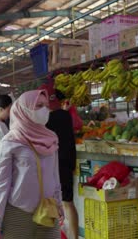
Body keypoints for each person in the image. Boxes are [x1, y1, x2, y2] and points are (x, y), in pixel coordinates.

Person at [0, 90, 62, 239]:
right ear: (24, 109)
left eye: (46, 105)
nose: (44, 110)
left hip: (48, 210)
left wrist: (59, 204)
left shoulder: (51, 138)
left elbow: (55, 176)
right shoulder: (11, 141)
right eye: (38, 105)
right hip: (19, 213)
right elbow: (2, 183)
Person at [42, 85, 79, 239]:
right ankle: (73, 236)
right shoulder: (65, 116)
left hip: (52, 165)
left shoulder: (44, 120)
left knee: (54, 203)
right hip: (66, 163)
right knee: (68, 202)